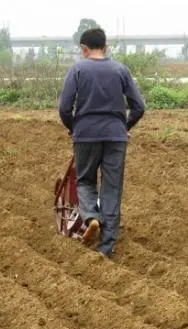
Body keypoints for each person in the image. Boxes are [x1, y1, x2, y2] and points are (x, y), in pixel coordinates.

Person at [59, 27, 145, 256]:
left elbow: (64, 107)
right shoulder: (121, 70)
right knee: (112, 188)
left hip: (86, 134)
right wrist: (123, 127)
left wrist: (73, 127)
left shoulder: (77, 69)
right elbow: (139, 107)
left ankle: (91, 218)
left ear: (84, 49)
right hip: (115, 136)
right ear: (105, 47)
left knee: (85, 181)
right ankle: (106, 249)